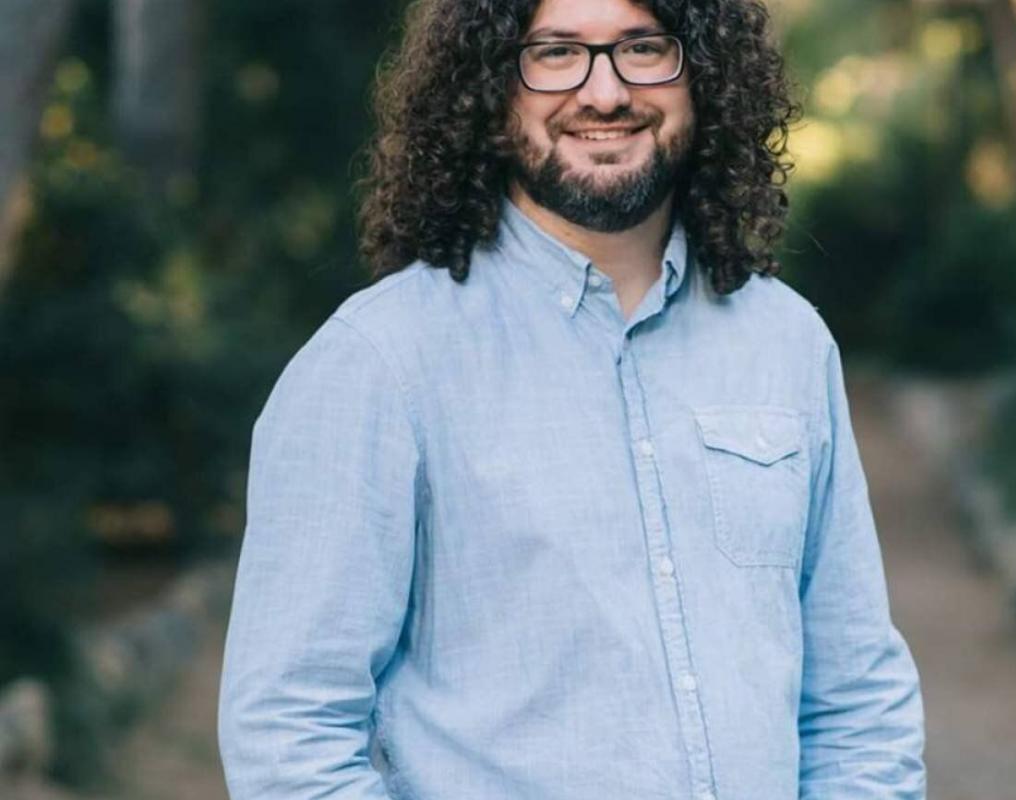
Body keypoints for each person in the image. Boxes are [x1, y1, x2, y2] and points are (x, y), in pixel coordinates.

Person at [216, 0, 927, 797]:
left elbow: (857, 697)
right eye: (555, 53)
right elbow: (288, 732)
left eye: (643, 48)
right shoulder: (379, 362)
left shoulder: (786, 343)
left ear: (704, 73)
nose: (605, 93)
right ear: (491, 84)